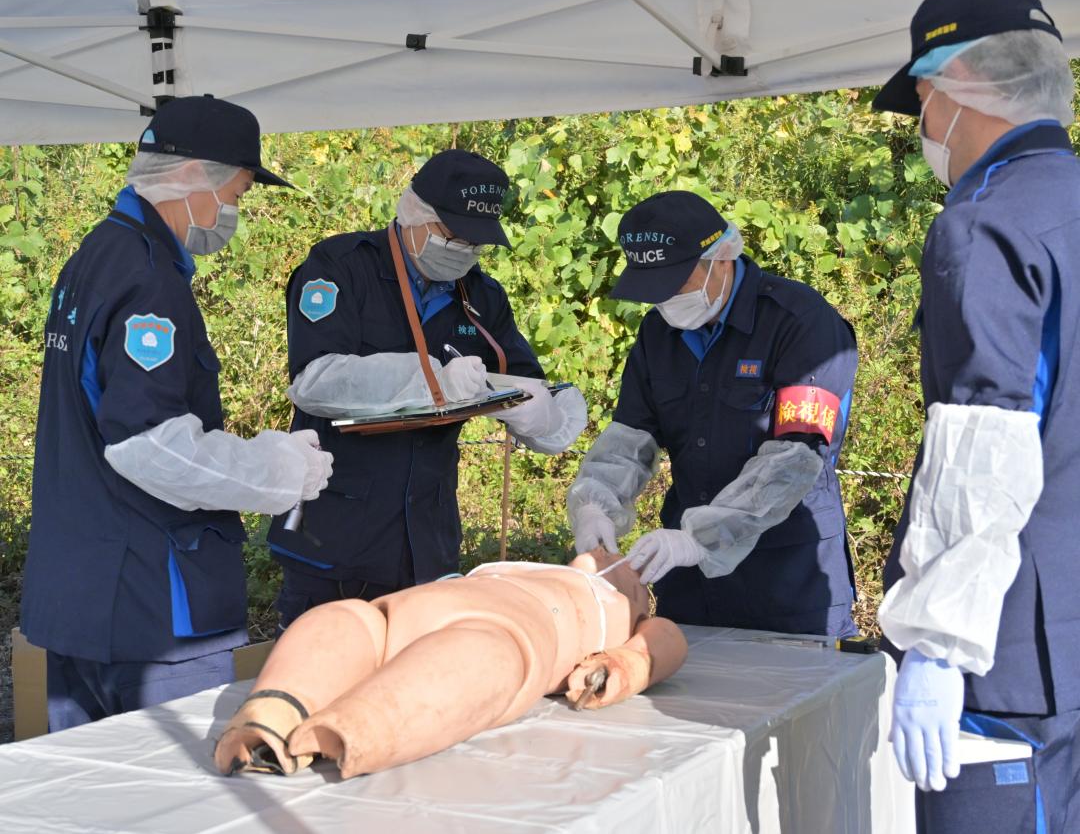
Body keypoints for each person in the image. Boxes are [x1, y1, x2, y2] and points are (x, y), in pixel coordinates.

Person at [20, 95, 334, 731]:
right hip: (151, 608)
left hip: (80, 592)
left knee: (81, 801)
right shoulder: (147, 278)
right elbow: (148, 443)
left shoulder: (93, 257)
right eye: (237, 195)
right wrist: (274, 471)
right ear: (194, 177)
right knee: (178, 802)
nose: (233, 215)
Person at [871, 0, 1080, 831]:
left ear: (961, 88)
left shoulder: (986, 224)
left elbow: (982, 444)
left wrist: (937, 643)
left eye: (920, 101)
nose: (922, 128)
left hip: (1010, 666)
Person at [268, 149, 587, 629]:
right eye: (451, 235)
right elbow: (315, 381)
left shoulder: (481, 295)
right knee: (323, 674)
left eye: (475, 243)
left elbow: (527, 383)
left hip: (427, 540)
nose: (462, 250)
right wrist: (431, 380)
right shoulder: (340, 267)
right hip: (334, 538)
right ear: (414, 214)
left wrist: (542, 415)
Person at [567, 191, 858, 636]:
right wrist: (596, 504)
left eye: (675, 282)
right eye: (653, 288)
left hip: (788, 578)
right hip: (690, 584)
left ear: (721, 257)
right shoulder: (658, 334)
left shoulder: (799, 322)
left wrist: (701, 537)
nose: (665, 300)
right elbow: (630, 439)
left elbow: (794, 460)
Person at [213, 547, 687, 778]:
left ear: (641, 603)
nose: (614, 553)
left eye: (634, 568)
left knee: (480, 656)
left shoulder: (624, 614)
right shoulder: (535, 566)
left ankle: (347, 731)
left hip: (508, 634)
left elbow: (664, 643)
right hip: (419, 605)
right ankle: (272, 713)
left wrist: (623, 664)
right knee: (352, 621)